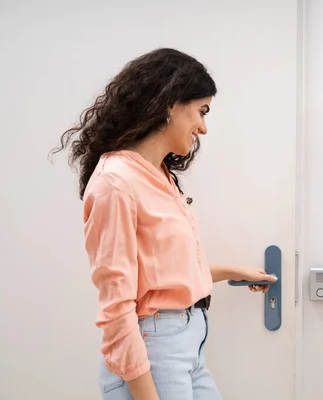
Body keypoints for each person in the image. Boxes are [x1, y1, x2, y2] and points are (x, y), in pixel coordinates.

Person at [50, 48, 277, 400]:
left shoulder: (159, 175)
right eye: (201, 111)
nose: (203, 126)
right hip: (155, 349)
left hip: (188, 342)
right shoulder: (116, 181)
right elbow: (117, 306)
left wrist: (236, 270)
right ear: (171, 104)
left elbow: (161, 274)